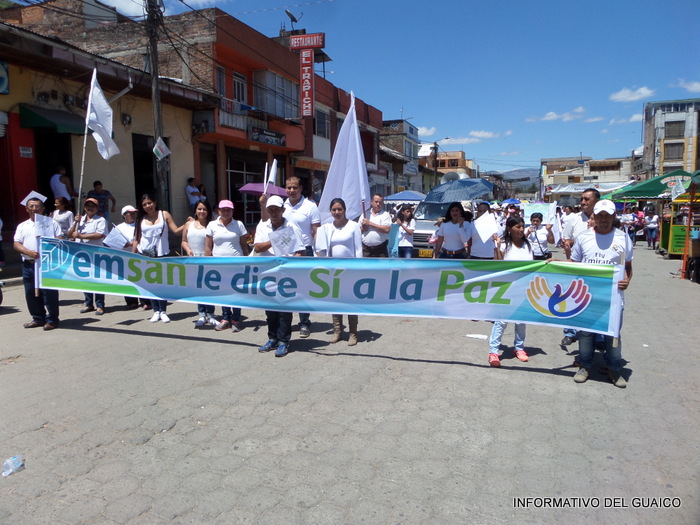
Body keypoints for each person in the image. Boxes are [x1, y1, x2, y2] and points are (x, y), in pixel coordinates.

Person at [570, 200, 633, 388]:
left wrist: (627, 280)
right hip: (587, 297)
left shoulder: (623, 238)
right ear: (594, 217)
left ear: (614, 217)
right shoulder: (583, 238)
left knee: (612, 335)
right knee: (585, 333)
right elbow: (573, 264)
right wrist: (554, 262)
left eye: (607, 215)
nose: (604, 219)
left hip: (613, 299)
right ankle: (585, 366)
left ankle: (614, 369)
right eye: (600, 215)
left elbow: (628, 266)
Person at [253, 195, 305, 357]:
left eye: (276, 210)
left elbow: (300, 251)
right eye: (271, 210)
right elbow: (257, 247)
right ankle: (272, 338)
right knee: (270, 310)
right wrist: (275, 239)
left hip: (285, 275)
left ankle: (283, 341)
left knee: (284, 311)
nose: (274, 213)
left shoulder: (292, 226)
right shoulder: (263, 226)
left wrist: (290, 265)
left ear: (283, 210)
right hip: (267, 274)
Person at [132, 193, 191, 323]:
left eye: (149, 203)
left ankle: (163, 311)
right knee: (151, 284)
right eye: (144, 204)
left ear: (155, 203)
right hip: (145, 255)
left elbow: (176, 230)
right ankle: (156, 311)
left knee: (162, 284)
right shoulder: (141, 219)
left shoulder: (164, 214)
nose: (147, 206)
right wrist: (132, 255)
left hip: (161, 254)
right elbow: (136, 239)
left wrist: (187, 224)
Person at [315, 198, 363, 345]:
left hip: (350, 270)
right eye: (334, 210)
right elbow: (321, 249)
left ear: (345, 210)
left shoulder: (353, 226)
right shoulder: (327, 228)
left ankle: (353, 333)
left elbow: (358, 248)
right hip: (334, 271)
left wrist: (358, 268)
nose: (337, 212)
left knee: (350, 302)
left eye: (339, 209)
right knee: (335, 301)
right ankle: (338, 331)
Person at [488, 216, 534, 367]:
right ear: (509, 229)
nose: (521, 230)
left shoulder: (528, 245)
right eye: (518, 227)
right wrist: (497, 247)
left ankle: (519, 347)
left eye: (522, 226)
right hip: (506, 288)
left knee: (521, 320)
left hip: (524, 288)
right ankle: (493, 351)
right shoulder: (504, 245)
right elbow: (497, 265)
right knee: (501, 320)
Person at [13, 192, 61, 330]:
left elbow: (60, 239)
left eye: (37, 206)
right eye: (31, 206)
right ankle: (38, 318)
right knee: (30, 293)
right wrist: (28, 252)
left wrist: (48, 246)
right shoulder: (22, 226)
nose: (34, 209)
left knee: (49, 293)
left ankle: (52, 319)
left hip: (47, 264)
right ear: (27, 209)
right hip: (29, 264)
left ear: (43, 208)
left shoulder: (51, 223)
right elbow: (16, 243)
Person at [560, 188, 600, 346]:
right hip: (576, 267)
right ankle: (570, 332)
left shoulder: (604, 218)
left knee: (596, 302)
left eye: (587, 199)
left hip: (596, 269)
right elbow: (566, 239)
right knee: (571, 300)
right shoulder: (574, 219)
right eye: (582, 199)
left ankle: (598, 336)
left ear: (596, 201)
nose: (583, 202)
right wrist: (568, 245)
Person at [283, 176, 320, 338]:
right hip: (286, 251)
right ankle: (286, 323)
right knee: (286, 288)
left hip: (305, 251)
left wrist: (318, 252)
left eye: (294, 187)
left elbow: (316, 231)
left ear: (300, 189)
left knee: (303, 289)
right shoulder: (281, 206)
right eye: (289, 187)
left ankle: (304, 322)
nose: (291, 190)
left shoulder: (310, 206)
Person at [205, 200, 249, 332]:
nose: (226, 212)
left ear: (232, 211)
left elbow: (244, 245)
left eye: (228, 210)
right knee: (223, 291)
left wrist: (248, 260)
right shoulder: (212, 225)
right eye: (223, 210)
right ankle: (225, 318)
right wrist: (206, 262)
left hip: (237, 264)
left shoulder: (239, 224)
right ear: (218, 211)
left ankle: (236, 319)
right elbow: (208, 246)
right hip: (219, 265)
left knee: (236, 291)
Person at [67, 197, 107, 315]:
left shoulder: (100, 220)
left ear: (97, 208)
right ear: (84, 208)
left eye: (93, 206)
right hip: (81, 255)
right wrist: (75, 222)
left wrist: (82, 236)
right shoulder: (79, 220)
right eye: (88, 206)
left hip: (96, 254)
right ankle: (88, 303)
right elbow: (69, 234)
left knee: (98, 280)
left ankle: (100, 305)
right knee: (85, 279)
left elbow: (100, 234)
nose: (90, 208)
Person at [181, 199, 217, 327]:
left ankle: (211, 314)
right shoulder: (189, 224)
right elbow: (184, 241)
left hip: (208, 260)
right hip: (193, 260)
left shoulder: (212, 225)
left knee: (209, 288)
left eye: (204, 209)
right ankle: (201, 314)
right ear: (195, 211)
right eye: (199, 209)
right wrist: (188, 250)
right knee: (198, 288)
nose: (202, 211)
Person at [113, 205, 142, 310]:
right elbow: (112, 242)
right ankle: (131, 302)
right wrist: (123, 244)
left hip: (139, 256)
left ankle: (145, 301)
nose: (133, 215)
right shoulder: (118, 228)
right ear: (124, 215)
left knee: (141, 279)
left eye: (134, 213)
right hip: (124, 257)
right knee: (127, 280)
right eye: (130, 213)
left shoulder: (140, 225)